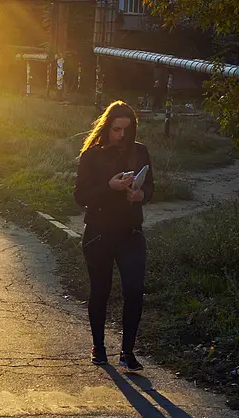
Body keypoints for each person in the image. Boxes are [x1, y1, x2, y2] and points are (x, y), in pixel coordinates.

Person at [73, 100, 154, 371]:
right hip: (99, 233)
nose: (121, 135)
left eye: (127, 130)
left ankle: (127, 352)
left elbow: (150, 188)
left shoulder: (140, 152)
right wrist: (109, 187)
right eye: (116, 129)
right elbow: (80, 196)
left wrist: (140, 194)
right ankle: (98, 347)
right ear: (106, 127)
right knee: (101, 290)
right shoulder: (92, 155)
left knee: (134, 290)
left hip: (131, 232)